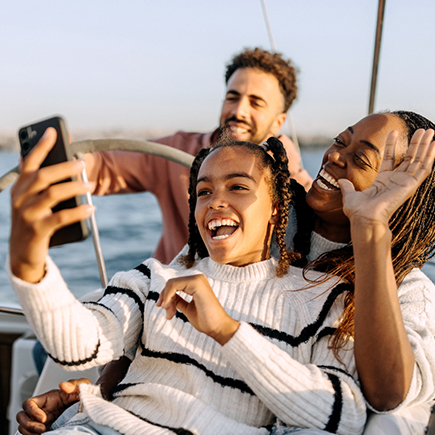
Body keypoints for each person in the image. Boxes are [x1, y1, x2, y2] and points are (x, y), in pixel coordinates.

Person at [16, 112, 435, 435]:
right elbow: (139, 328)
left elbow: (383, 399)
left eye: (359, 157)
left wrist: (370, 226)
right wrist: (93, 396)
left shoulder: (393, 291)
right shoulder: (227, 241)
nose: (334, 156)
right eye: (338, 141)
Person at [83, 47, 312, 265]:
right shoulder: (177, 151)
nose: (238, 111)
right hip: (170, 296)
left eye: (256, 103)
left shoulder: (292, 178)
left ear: (278, 122)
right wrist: (72, 161)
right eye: (232, 97)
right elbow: (101, 166)